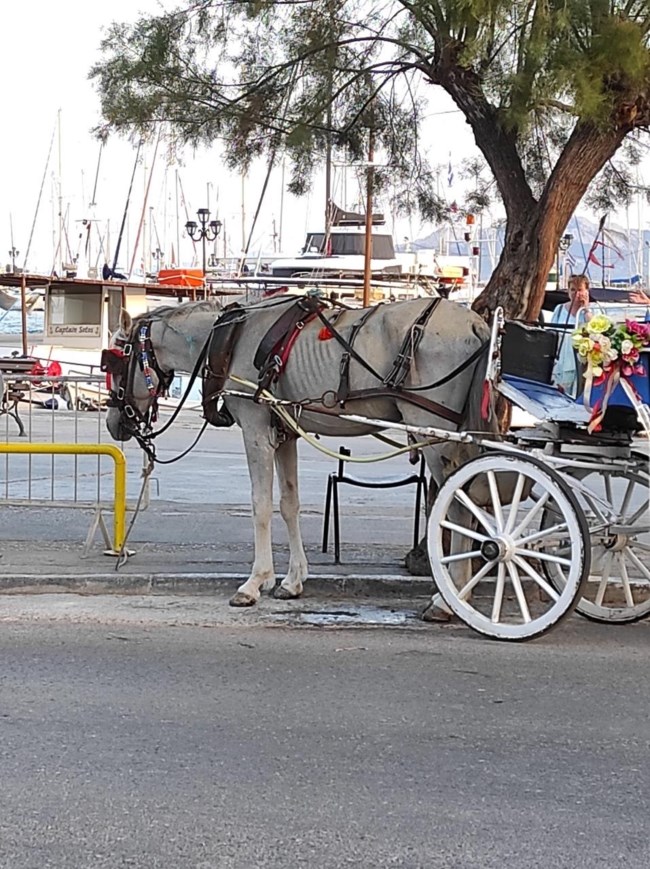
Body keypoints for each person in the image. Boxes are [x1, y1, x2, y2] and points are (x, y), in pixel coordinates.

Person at [550, 274, 591, 395]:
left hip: (579, 363)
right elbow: (551, 333)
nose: (576, 293)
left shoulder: (590, 312)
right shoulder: (559, 309)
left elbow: (594, 331)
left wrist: (586, 309)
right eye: (573, 290)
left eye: (580, 290)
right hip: (560, 362)